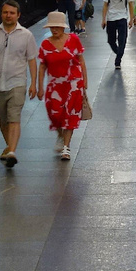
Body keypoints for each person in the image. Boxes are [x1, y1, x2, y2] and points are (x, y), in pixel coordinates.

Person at [0, 0, 39, 168]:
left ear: (18, 15)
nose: (8, 15)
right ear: (1, 14)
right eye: (5, 12)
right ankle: (9, 147)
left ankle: (12, 151)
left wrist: (33, 83)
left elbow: (32, 60)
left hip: (17, 83)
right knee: (3, 120)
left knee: (14, 117)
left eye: (12, 13)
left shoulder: (26, 36)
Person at [37, 11, 87, 162]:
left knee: (70, 115)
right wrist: (40, 86)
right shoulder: (45, 44)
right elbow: (42, 66)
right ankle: (60, 133)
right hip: (55, 86)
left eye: (57, 27)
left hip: (73, 84)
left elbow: (81, 60)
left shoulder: (74, 40)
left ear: (63, 27)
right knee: (56, 114)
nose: (54, 29)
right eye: (52, 27)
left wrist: (85, 80)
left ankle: (66, 147)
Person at [101, 0, 136, 69]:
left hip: (122, 17)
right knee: (111, 40)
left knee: (122, 39)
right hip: (111, 18)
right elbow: (105, 5)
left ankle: (118, 60)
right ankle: (119, 53)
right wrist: (103, 19)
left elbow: (130, 4)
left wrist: (131, 19)